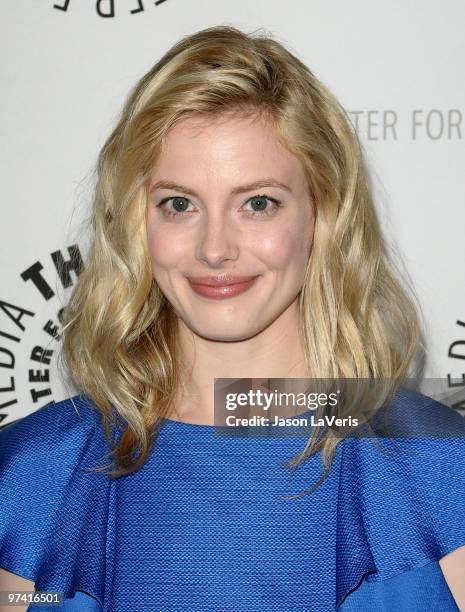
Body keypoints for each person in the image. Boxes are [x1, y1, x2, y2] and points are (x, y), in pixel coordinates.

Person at [1, 24, 465, 612]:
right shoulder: (27, 479)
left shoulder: (442, 473)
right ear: (136, 222)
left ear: (323, 215)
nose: (214, 248)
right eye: (179, 204)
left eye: (258, 203)